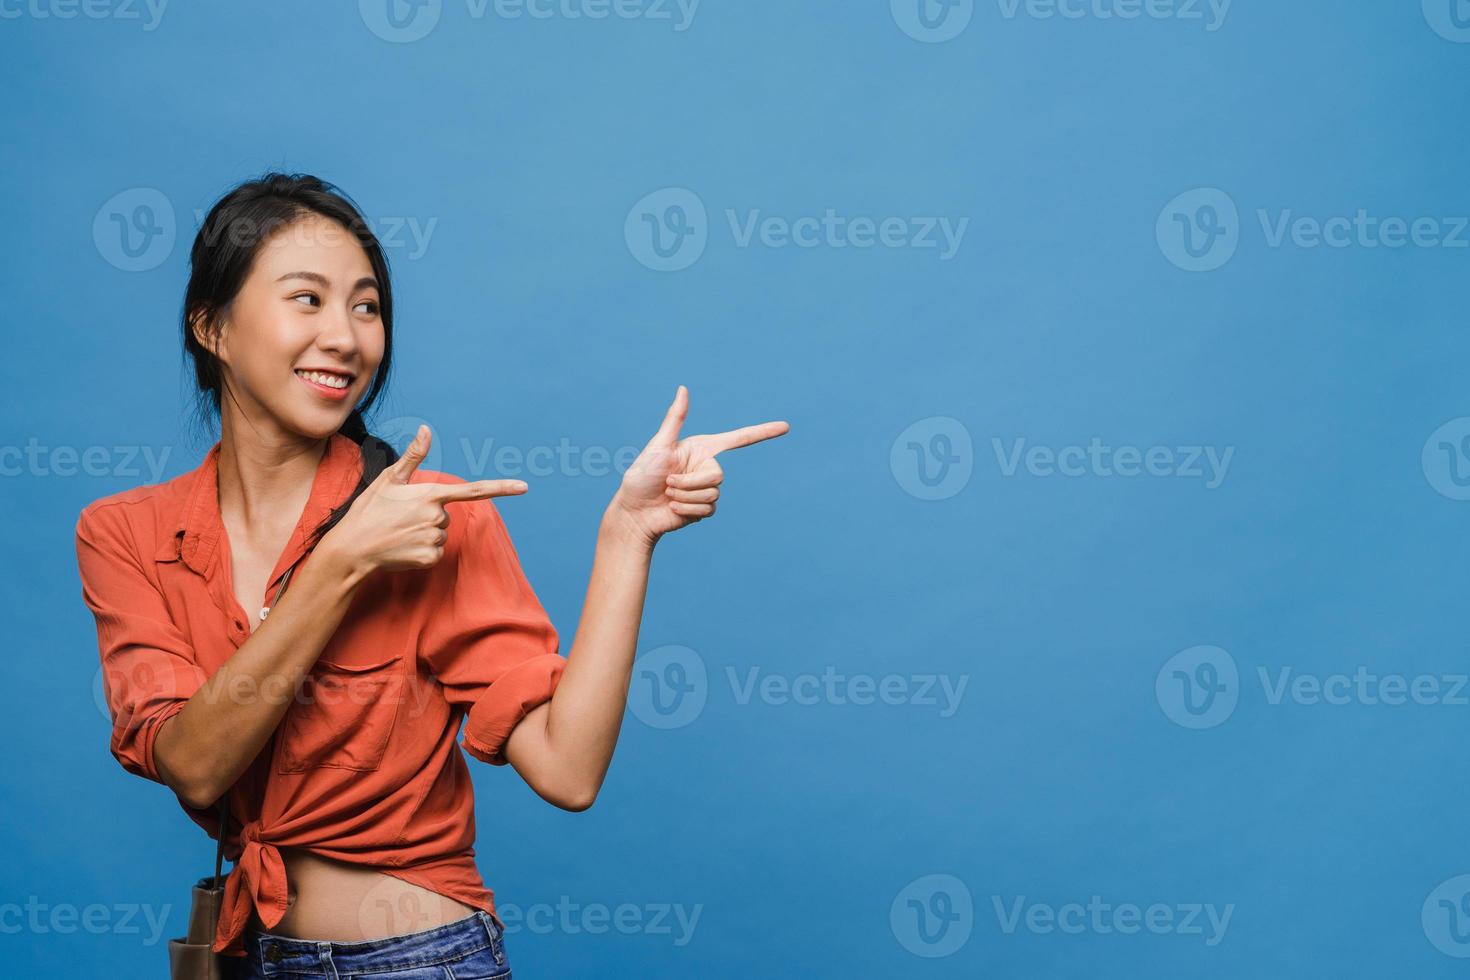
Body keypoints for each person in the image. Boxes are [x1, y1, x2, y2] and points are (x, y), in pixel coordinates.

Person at [73, 172, 789, 977]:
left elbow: (569, 768)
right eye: (306, 299)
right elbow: (194, 762)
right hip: (250, 954)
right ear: (213, 326)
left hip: (420, 958)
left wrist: (628, 535)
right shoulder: (126, 534)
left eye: (367, 305)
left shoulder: (438, 517)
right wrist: (341, 563)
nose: (347, 337)